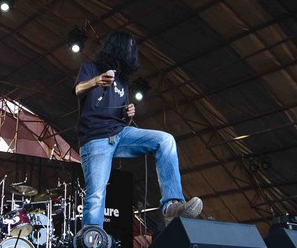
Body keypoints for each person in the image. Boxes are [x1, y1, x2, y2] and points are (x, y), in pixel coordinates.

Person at [74, 30, 203, 236]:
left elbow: (120, 117)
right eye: (129, 47)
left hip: (120, 133)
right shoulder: (91, 68)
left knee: (165, 140)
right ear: (117, 47)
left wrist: (128, 114)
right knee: (96, 196)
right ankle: (92, 247)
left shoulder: (123, 82)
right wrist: (96, 81)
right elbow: (78, 89)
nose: (132, 52)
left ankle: (171, 206)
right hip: (95, 138)